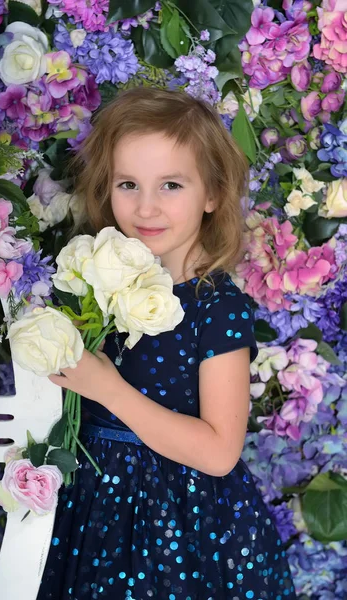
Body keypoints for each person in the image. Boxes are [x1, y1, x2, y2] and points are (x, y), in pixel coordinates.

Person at [37, 88, 296, 600]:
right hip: (93, 509)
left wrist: (108, 390)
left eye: (171, 185)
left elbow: (221, 452)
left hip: (180, 520)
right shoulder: (100, 287)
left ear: (213, 194)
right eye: (128, 184)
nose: (146, 206)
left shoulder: (215, 306)